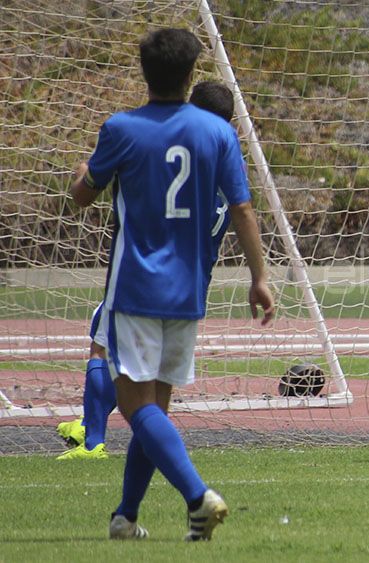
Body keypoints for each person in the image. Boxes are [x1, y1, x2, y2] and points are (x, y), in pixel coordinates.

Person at [68, 29, 274, 542]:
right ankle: (125, 517)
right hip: (188, 292)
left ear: (145, 72)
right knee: (155, 409)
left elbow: (82, 196)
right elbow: (243, 208)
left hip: (135, 286)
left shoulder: (121, 128)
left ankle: (198, 496)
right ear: (189, 75)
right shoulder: (217, 133)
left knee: (135, 407)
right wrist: (259, 277)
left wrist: (81, 174)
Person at [56, 80, 239, 461]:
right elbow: (243, 210)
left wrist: (91, 174)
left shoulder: (176, 160)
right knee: (151, 377)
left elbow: (143, 197)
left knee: (105, 347)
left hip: (147, 276)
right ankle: (92, 424)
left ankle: (93, 442)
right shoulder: (222, 166)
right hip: (190, 288)